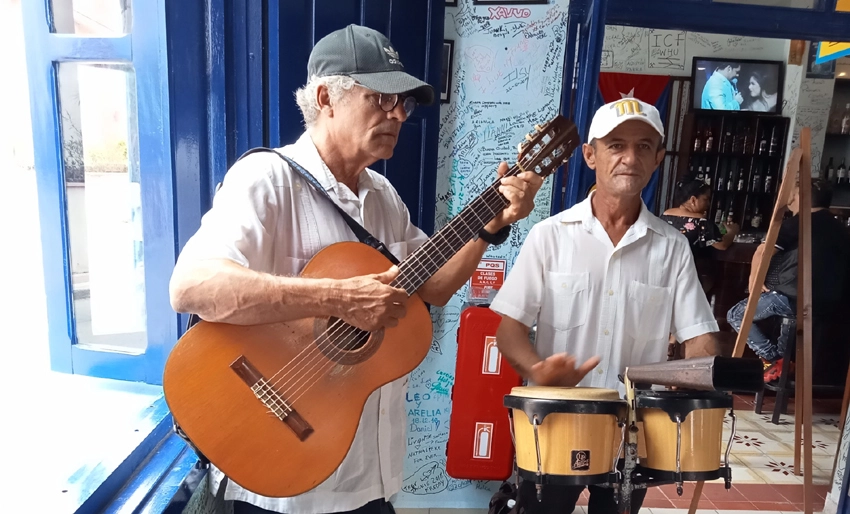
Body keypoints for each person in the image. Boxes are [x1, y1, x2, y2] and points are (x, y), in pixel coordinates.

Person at [168, 24, 543, 514]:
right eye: (380, 98)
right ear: (325, 96)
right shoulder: (267, 180)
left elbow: (434, 285)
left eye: (404, 104)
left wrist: (488, 226)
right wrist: (338, 299)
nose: (397, 114)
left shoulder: (382, 197)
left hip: (368, 473)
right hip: (283, 480)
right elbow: (191, 287)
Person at [490, 98, 719, 514]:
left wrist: (701, 375)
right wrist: (537, 370)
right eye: (616, 145)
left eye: (644, 146)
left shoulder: (672, 248)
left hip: (633, 432)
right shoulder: (549, 236)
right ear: (591, 155)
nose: (630, 158)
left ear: (658, 159)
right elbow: (509, 329)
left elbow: (699, 338)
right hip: (556, 421)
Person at [727, 179, 850, 382]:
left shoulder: (799, 222)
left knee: (736, 315)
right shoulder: (840, 229)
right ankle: (783, 369)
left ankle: (775, 359)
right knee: (788, 317)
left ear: (802, 197)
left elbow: (762, 251)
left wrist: (754, 284)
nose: (789, 199)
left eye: (793, 194)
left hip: (793, 297)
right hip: (831, 305)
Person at [661, 180, 738, 359]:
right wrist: (732, 230)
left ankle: (669, 339)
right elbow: (723, 244)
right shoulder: (702, 223)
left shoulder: (664, 216)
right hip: (693, 274)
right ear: (693, 200)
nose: (708, 204)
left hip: (665, 272)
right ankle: (675, 340)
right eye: (706, 199)